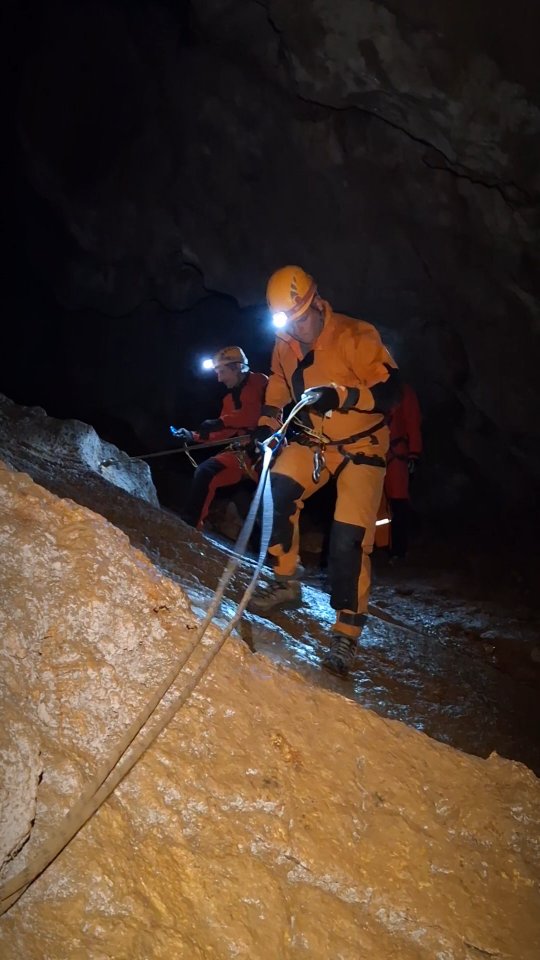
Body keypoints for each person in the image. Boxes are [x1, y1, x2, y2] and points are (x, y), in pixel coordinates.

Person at [249, 265, 402, 677]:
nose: (296, 330)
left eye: (301, 320)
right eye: (288, 322)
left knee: (348, 538)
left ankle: (347, 631)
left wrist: (341, 394)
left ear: (317, 303)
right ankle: (285, 581)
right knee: (275, 489)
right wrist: (266, 427)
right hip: (317, 442)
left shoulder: (355, 335)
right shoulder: (285, 343)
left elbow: (391, 392)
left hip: (362, 444)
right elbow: (279, 387)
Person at [170, 346, 267, 529]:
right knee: (206, 471)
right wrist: (193, 435)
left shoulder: (260, 382)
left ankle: (277, 552)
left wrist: (220, 422)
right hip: (242, 453)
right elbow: (225, 432)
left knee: (274, 498)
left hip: (268, 449)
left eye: (222, 372)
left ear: (237, 368)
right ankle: (190, 525)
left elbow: (254, 414)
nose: (219, 379)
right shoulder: (228, 400)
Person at [384, 383, 422, 562]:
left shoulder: (403, 390)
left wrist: (414, 453)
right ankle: (378, 545)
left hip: (395, 453)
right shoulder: (368, 384)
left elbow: (412, 420)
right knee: (369, 502)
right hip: (370, 451)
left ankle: (398, 550)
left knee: (398, 501)